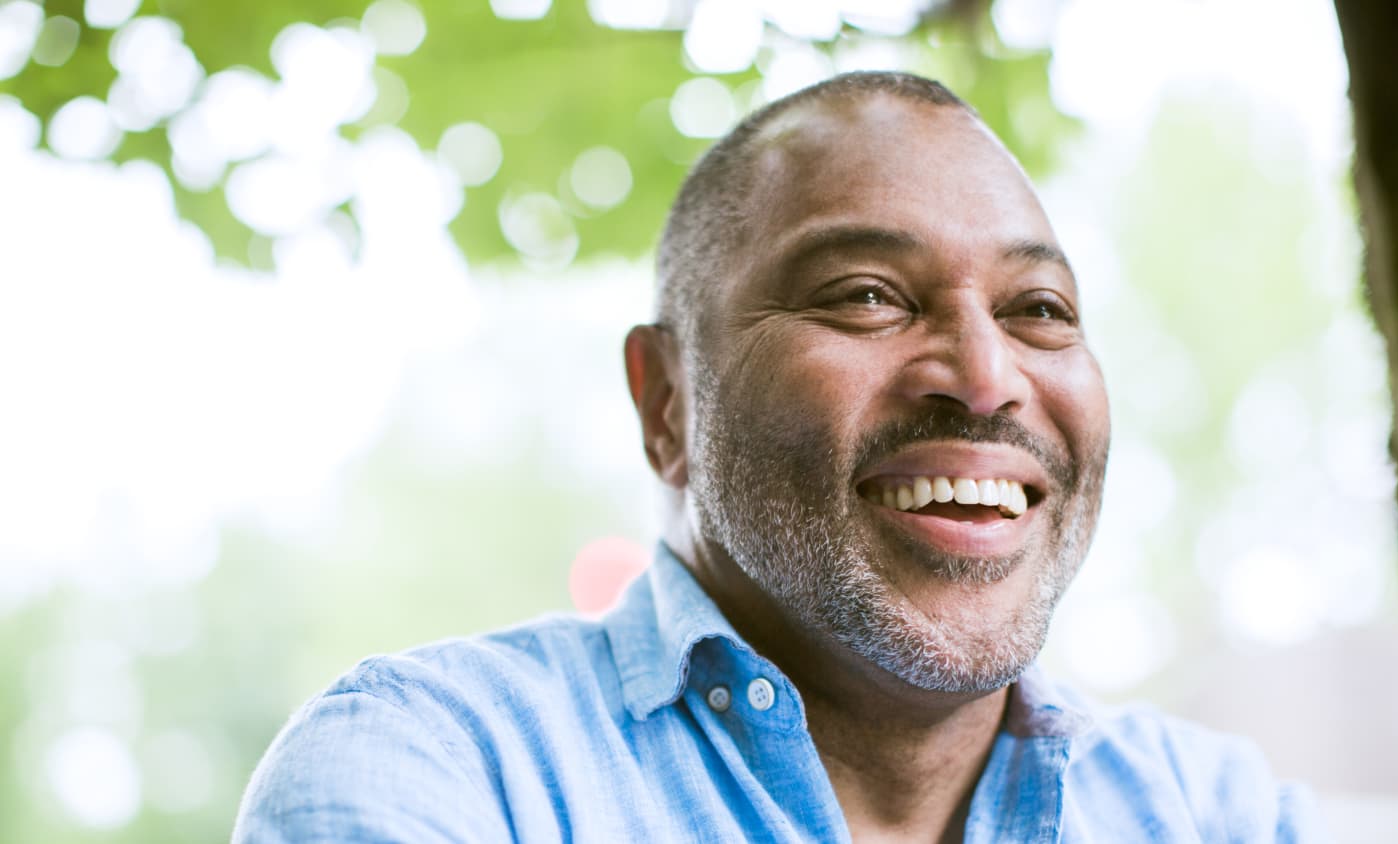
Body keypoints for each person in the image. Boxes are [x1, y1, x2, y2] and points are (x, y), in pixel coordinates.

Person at [233, 71, 1314, 843]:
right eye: (867, 296)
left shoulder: (1219, 811)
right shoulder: (441, 771)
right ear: (668, 404)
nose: (985, 377)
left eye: (1039, 308)